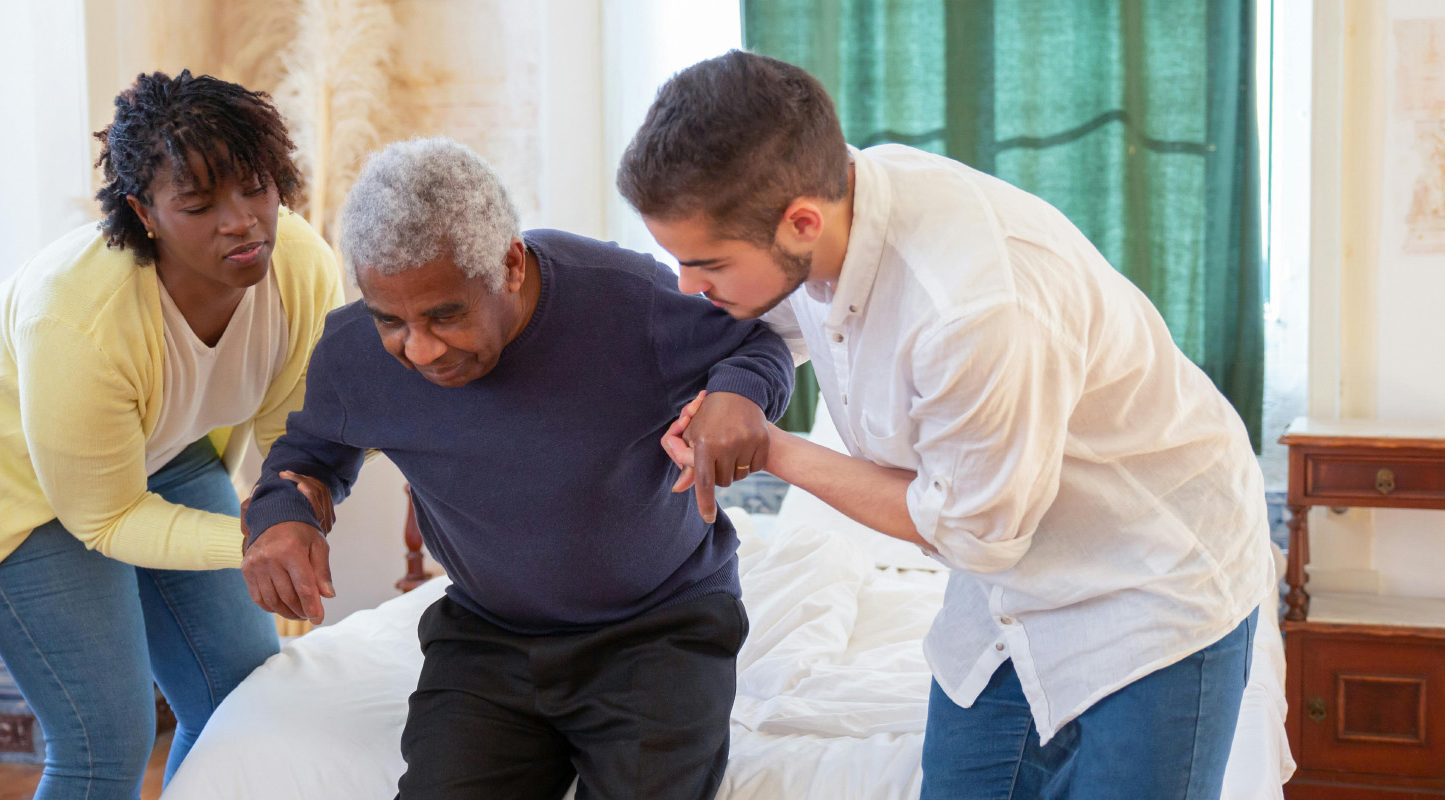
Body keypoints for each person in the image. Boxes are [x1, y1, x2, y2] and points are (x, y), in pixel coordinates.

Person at [618, 51, 1276, 799]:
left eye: (707, 264)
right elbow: (774, 321)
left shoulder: (969, 312)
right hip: (1006, 586)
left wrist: (775, 450)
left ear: (801, 221)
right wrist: (736, 392)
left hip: (1151, 578)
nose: (688, 287)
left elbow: (972, 533)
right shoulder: (838, 202)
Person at [238, 137, 793, 800]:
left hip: (660, 628)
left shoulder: (624, 299)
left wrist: (735, 396)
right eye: (393, 320)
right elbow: (307, 456)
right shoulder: (353, 355)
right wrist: (281, 516)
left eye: (446, 315)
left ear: (509, 263)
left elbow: (756, 347)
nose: (419, 349)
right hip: (490, 637)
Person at [0, 70, 344, 798]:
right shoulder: (78, 316)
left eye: (257, 187)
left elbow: (291, 434)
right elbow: (103, 516)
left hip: (162, 449)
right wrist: (253, 540)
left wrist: (291, 514)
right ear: (144, 211)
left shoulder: (299, 266)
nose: (242, 222)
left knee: (245, 699)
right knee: (103, 737)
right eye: (199, 204)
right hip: (12, 475)